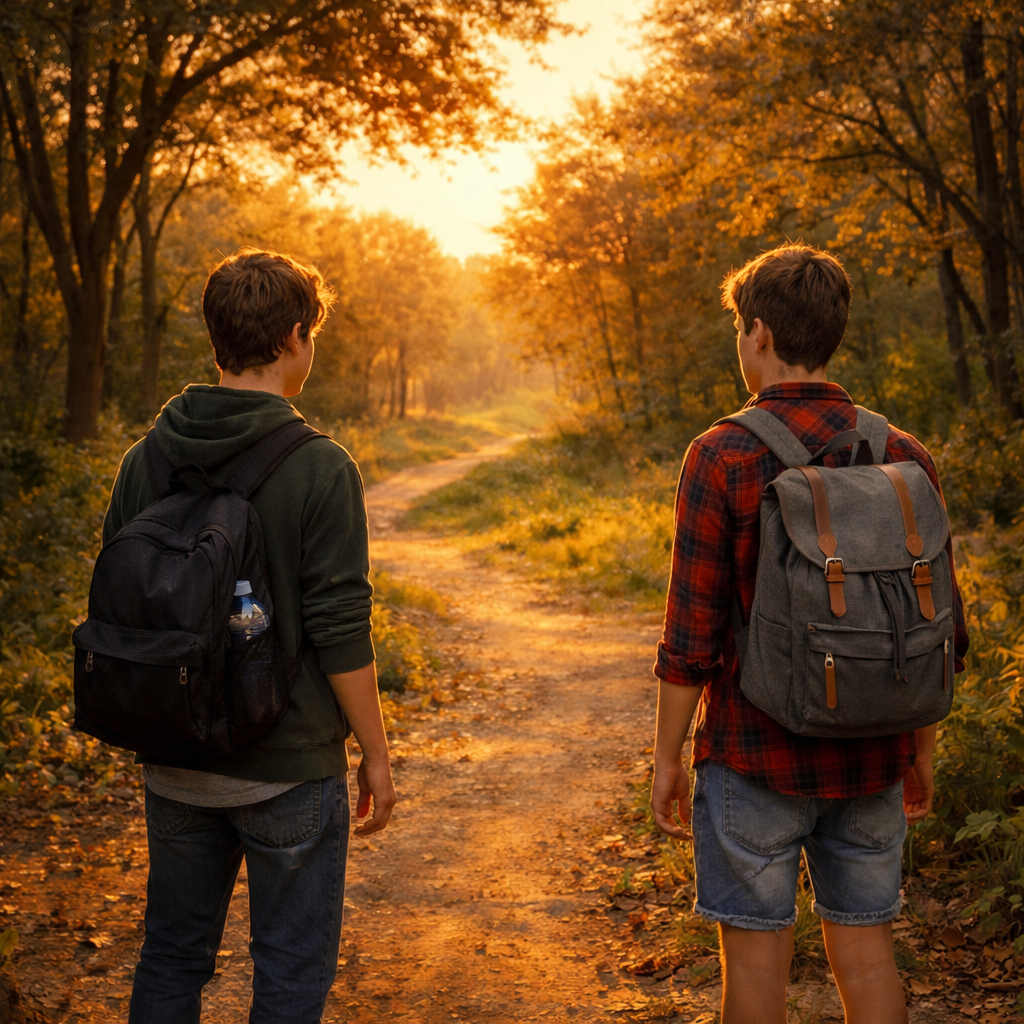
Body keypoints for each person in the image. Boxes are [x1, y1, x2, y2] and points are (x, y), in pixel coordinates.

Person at [649, 243, 968, 1024]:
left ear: (757, 334)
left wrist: (667, 759)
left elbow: (690, 635)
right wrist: (919, 754)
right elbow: (939, 629)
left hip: (753, 754)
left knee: (756, 966)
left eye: (737, 330)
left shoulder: (721, 454)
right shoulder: (902, 454)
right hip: (874, 753)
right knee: (867, 956)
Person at [102, 248, 397, 1024]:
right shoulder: (320, 466)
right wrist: (374, 750)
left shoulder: (145, 458)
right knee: (290, 971)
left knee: (170, 955)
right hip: (287, 765)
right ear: (295, 337)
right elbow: (339, 625)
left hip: (174, 759)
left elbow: (120, 602)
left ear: (217, 337)